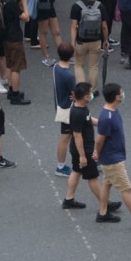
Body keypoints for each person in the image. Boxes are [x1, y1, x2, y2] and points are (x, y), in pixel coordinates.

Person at [95, 83, 131, 229]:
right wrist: (97, 153)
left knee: (107, 183)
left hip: (112, 157)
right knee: (126, 189)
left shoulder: (112, 111)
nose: (123, 94)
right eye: (121, 92)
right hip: (113, 160)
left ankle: (102, 213)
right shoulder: (107, 117)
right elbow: (100, 139)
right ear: (117, 97)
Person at [62, 83, 109, 211]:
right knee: (92, 177)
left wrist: (101, 123)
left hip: (79, 149)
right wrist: (83, 156)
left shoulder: (82, 108)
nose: (92, 94)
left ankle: (69, 199)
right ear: (86, 97)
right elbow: (77, 136)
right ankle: (105, 203)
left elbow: (88, 119)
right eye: (90, 93)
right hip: (84, 150)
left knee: (76, 171)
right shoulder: (77, 113)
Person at [70, 0, 109, 86]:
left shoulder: (76, 6)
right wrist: (105, 40)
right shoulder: (100, 6)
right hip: (96, 41)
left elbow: (73, 26)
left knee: (78, 65)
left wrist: (72, 44)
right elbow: (104, 26)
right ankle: (93, 90)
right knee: (93, 66)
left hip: (81, 41)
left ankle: (82, 90)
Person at [0, 0, 33, 105]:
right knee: (16, 67)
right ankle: (15, 94)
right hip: (14, 37)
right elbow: (26, 17)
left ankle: (11, 89)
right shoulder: (12, 3)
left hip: (5, 36)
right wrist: (24, 1)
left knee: (9, 64)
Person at [53, 42, 76, 178]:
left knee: (79, 134)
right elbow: (76, 94)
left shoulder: (56, 67)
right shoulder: (69, 76)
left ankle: (88, 158)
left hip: (60, 105)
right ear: (72, 55)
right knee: (65, 138)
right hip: (68, 108)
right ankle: (60, 167)